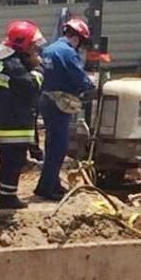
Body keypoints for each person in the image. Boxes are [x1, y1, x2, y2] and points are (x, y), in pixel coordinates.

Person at [36, 17, 94, 201]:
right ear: (77, 38)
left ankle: (52, 183)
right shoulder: (68, 53)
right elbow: (79, 78)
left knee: (51, 143)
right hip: (59, 102)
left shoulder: (49, 49)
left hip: (45, 99)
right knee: (59, 147)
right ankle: (45, 187)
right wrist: (90, 85)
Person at [0, 21, 45, 210]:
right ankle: (7, 199)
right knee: (13, 163)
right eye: (33, 45)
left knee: (11, 163)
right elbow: (31, 87)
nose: (36, 49)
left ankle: (7, 196)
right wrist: (38, 70)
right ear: (23, 46)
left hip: (7, 124)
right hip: (13, 127)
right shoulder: (15, 66)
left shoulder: (8, 62)